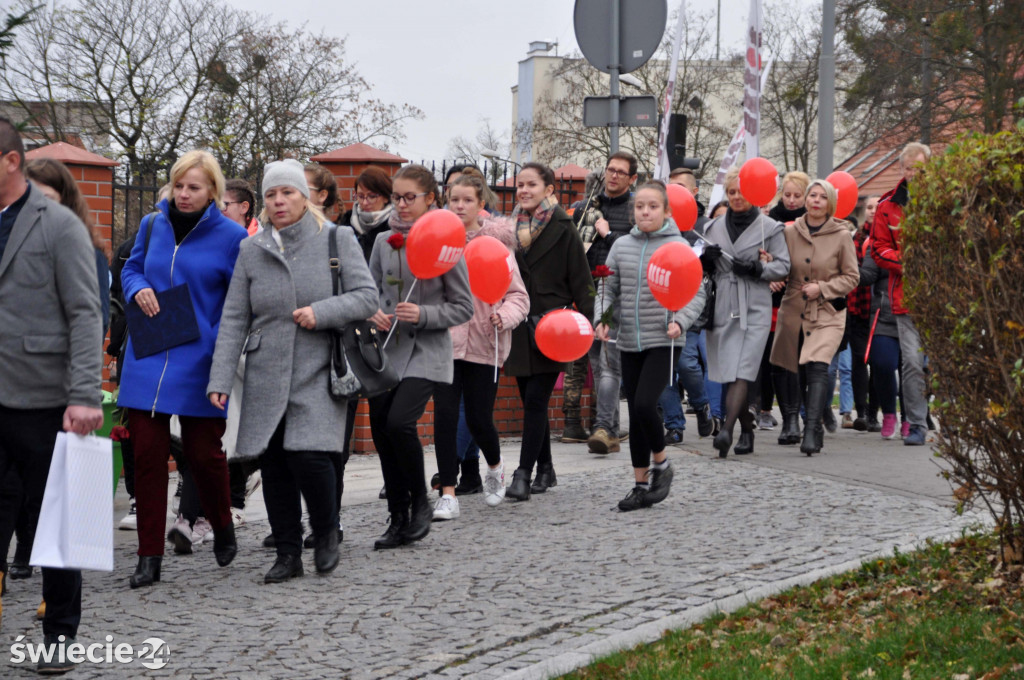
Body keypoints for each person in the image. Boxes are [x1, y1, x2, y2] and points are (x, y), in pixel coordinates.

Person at [208, 159, 377, 582]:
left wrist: (321, 313)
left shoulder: (336, 238)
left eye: (287, 192)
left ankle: (325, 534)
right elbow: (233, 319)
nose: (279, 201)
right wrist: (220, 379)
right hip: (266, 368)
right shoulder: (252, 248)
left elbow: (367, 298)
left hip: (318, 365)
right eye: (271, 194)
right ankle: (287, 552)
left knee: (312, 455)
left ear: (305, 196)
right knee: (276, 463)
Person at [0, 116, 104, 673]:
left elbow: (86, 312)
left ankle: (59, 634)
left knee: (53, 521)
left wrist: (85, 393)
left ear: (11, 162)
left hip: (44, 400)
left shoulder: (57, 224)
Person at [118, 150, 247, 588]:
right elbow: (131, 268)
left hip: (199, 359)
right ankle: (149, 556)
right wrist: (138, 289)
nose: (185, 194)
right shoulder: (151, 225)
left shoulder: (232, 237)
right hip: (148, 354)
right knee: (148, 457)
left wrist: (221, 350)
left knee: (203, 455)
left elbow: (239, 303)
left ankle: (222, 523)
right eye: (179, 185)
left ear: (213, 191)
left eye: (194, 187)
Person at [367, 164, 473, 547]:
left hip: (427, 351)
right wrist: (373, 311)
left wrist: (424, 314)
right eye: (396, 197)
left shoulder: (447, 242)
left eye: (410, 197)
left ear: (431, 199)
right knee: (380, 427)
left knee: (399, 422)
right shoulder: (384, 241)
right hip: (388, 350)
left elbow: (463, 307)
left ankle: (421, 503)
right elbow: (372, 290)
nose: (402, 204)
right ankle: (398, 516)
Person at [595, 181, 706, 510]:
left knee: (645, 405)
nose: (645, 211)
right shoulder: (622, 245)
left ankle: (662, 465)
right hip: (628, 340)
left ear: (667, 211)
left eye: (653, 206)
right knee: (636, 414)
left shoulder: (679, 246)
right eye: (639, 206)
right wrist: (603, 318)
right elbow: (607, 288)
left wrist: (681, 321)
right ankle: (640, 484)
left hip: (665, 339)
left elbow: (697, 291)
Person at [431, 172, 529, 517]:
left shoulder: (497, 245)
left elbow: (518, 296)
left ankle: (494, 465)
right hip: (445, 342)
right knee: (443, 416)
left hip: (486, 345)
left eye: (467, 200)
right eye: (454, 199)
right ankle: (448, 493)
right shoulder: (438, 240)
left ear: (480, 204)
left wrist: (505, 314)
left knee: (478, 418)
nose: (459, 206)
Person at [504, 162, 594, 499]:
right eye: (520, 185)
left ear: (549, 189)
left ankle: (523, 474)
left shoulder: (563, 226)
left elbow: (582, 280)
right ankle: (547, 467)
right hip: (518, 323)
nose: (524, 191)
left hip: (552, 326)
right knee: (529, 401)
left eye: (531, 185)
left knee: (537, 400)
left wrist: (589, 323)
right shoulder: (508, 229)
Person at [701, 166, 791, 457]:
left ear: (753, 194)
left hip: (754, 302)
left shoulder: (770, 228)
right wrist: (706, 261)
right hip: (724, 302)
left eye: (741, 191)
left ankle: (727, 430)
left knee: (744, 367)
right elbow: (698, 268)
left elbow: (784, 266)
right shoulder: (712, 228)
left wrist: (758, 268)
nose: (736, 197)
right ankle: (747, 432)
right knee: (729, 369)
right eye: (731, 192)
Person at [770, 179, 860, 454]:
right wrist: (772, 272)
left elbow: (852, 276)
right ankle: (810, 424)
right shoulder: (790, 231)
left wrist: (823, 288)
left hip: (828, 311)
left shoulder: (841, 235)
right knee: (796, 368)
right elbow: (783, 267)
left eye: (822, 197)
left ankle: (810, 429)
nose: (816, 200)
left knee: (818, 366)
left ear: (830, 203)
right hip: (794, 308)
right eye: (813, 195)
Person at [336, 166, 396, 505]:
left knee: (384, 414)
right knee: (345, 412)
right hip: (350, 326)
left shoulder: (393, 229)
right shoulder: (344, 225)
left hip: (386, 327)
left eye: (370, 196)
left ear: (385, 196)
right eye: (359, 195)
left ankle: (394, 480)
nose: (363, 202)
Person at [871, 142, 931, 446]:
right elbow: (879, 249)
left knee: (933, 363)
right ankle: (917, 423)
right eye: (909, 168)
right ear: (901, 170)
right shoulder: (887, 206)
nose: (914, 174)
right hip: (904, 296)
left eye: (919, 168)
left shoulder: (944, 199)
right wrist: (906, 262)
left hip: (942, 296)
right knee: (910, 361)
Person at [585, 151, 637, 455]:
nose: (613, 175)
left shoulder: (634, 210)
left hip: (616, 294)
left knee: (608, 365)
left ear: (632, 179)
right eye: (610, 169)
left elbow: (636, 249)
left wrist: (608, 235)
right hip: (588, 292)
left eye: (620, 171)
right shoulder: (589, 206)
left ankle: (603, 427)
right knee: (598, 363)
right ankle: (612, 432)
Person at [765, 171, 809, 444]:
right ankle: (789, 418)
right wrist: (769, 275)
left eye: (797, 195)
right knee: (781, 362)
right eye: (787, 194)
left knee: (804, 362)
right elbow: (760, 255)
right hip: (775, 300)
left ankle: (806, 415)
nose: (791, 200)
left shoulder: (812, 221)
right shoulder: (769, 221)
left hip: (805, 296)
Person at [562, 170, 604, 442]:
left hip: (572, 291)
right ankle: (599, 420)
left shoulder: (571, 212)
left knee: (575, 360)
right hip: (598, 289)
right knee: (602, 361)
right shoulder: (601, 214)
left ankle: (571, 422)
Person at [858, 241, 902, 439]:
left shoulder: (922, 239)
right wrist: (850, 270)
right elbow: (867, 274)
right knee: (883, 365)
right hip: (884, 315)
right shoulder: (876, 244)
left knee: (913, 369)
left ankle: (911, 419)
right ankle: (889, 414)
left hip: (916, 314)